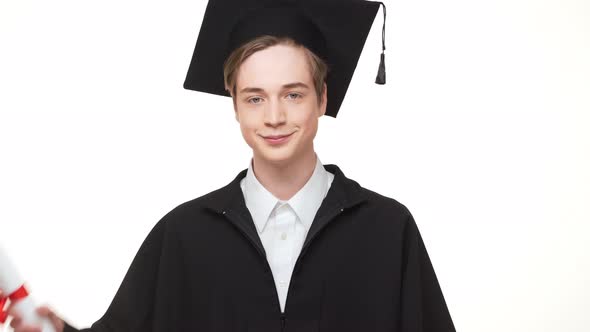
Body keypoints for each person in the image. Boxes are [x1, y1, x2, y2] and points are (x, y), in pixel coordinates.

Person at [5, 0, 456, 331]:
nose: (274, 116)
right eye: (254, 98)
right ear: (235, 107)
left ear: (322, 99)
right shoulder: (184, 234)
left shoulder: (386, 230)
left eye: (293, 94)